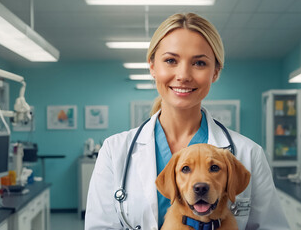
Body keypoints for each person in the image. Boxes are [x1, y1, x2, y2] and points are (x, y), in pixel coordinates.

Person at [85, 13, 289, 230]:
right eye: (171, 60)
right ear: (152, 66)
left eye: (199, 62)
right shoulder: (115, 151)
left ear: (215, 72)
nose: (183, 75)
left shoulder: (249, 154)